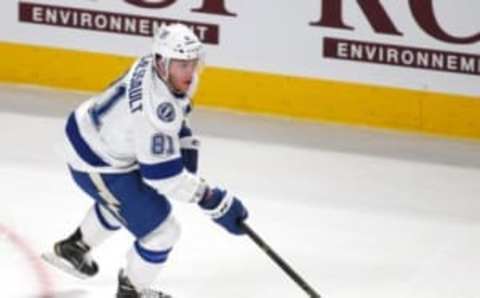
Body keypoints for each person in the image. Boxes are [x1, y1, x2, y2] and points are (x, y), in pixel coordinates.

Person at [42, 23, 249, 298]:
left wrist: (182, 135)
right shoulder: (156, 109)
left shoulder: (155, 67)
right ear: (163, 62)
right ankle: (131, 291)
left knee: (128, 203)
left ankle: (75, 248)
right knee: (164, 232)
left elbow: (172, 112)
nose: (190, 73)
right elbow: (162, 177)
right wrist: (212, 199)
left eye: (192, 63)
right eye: (182, 65)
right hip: (95, 162)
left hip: (100, 141)